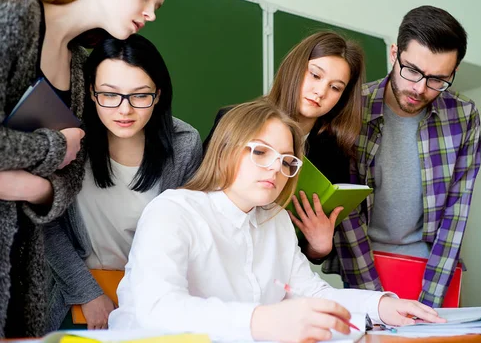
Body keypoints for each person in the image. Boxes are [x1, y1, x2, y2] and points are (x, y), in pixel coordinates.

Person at [108, 99, 444, 342]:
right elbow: (158, 308)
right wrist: (260, 319)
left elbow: (309, 292)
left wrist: (382, 305)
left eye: (287, 160)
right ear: (226, 148)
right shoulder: (174, 211)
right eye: (260, 151)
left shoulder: (275, 220)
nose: (275, 168)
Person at [0, 0, 172, 337]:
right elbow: (65, 151)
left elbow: (69, 178)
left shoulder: (78, 65)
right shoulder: (17, 15)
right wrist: (54, 149)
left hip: (24, 265)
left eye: (157, 6)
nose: (150, 13)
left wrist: (32, 186)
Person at [323, 6, 481, 308]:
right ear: (394, 53)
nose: (420, 88)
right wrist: (376, 301)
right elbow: (348, 214)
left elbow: (456, 214)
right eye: (412, 71)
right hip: (364, 263)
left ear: (453, 73)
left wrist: (430, 300)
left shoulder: (464, 116)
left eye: (438, 79)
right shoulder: (352, 108)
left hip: (434, 267)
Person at [43, 34, 202, 331]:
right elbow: (46, 222)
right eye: (109, 94)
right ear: (91, 91)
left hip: (152, 299)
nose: (124, 110)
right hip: (71, 293)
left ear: (158, 93)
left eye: (140, 95)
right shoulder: (69, 137)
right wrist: (88, 293)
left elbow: (186, 233)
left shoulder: (184, 144)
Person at [203, 31, 365, 262]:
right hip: (214, 252)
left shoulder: (334, 155)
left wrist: (320, 246)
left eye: (336, 88)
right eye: (315, 75)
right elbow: (201, 191)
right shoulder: (233, 121)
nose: (320, 92)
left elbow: (311, 253)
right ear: (295, 69)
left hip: (274, 269)